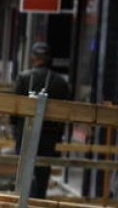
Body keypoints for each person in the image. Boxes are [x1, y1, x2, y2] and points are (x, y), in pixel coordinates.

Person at [10, 42, 72, 199]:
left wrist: (15, 131)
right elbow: (66, 113)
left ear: (33, 57)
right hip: (48, 138)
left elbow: (13, 111)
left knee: (24, 175)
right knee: (42, 175)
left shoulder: (23, 78)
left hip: (25, 135)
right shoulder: (60, 83)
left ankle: (23, 203)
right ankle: (38, 203)